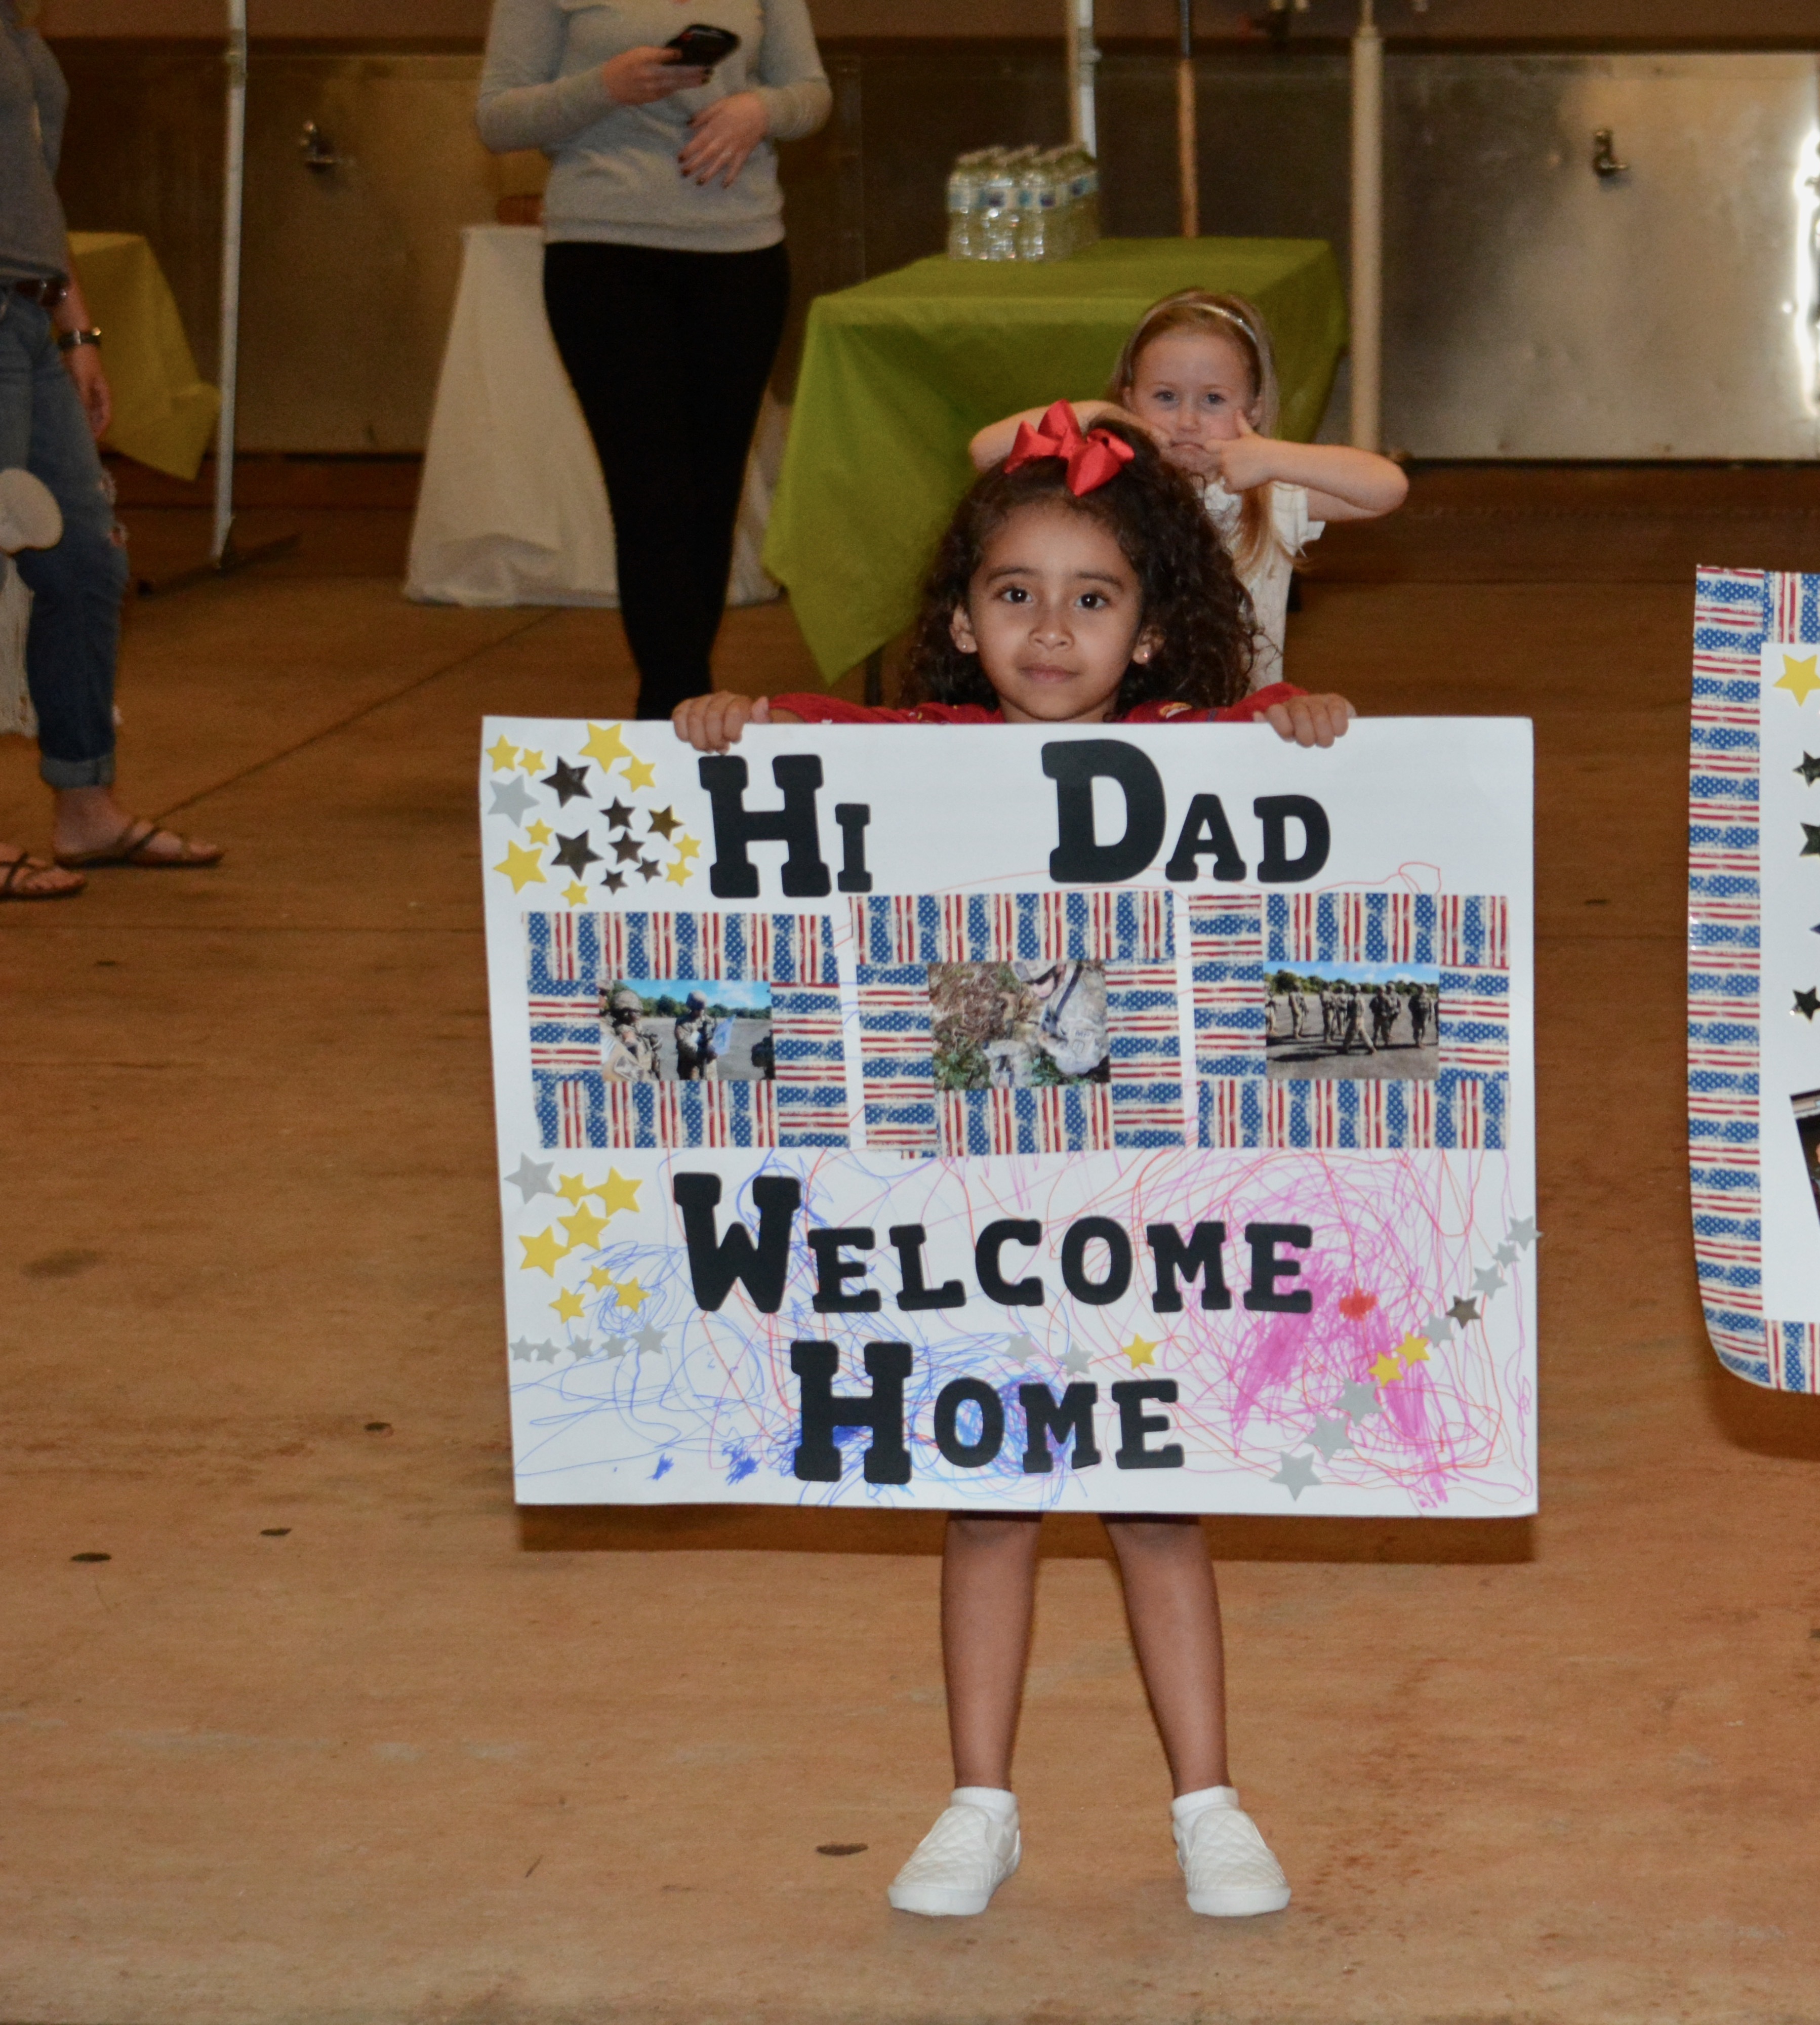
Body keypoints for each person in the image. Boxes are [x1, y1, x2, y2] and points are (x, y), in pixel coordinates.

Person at [675, 406, 1347, 1922]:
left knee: (1157, 1499)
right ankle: (979, 1799)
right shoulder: (916, 757)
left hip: (1139, 1208)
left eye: (1092, 597)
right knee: (983, 1497)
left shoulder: (1198, 754)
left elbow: (1290, 756)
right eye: (1015, 594)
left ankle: (1209, 1803)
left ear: (1156, 633)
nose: (1051, 628)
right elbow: (806, 734)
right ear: (963, 625)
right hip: (971, 1210)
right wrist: (739, 720)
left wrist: (1299, 714)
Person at [476, 1, 830, 720]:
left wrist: (759, 109)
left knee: (710, 493)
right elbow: (498, 117)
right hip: (603, 255)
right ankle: (675, 702)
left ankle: (679, 704)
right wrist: (604, 85)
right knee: (652, 494)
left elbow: (811, 91)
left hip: (741, 254)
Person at [0, 7, 222, 899]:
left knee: (86, 556)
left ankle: (85, 804)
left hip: (27, 307)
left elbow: (32, 188)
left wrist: (75, 327)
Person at [969, 290, 1408, 690]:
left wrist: (1273, 458)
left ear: (1253, 409)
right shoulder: (1107, 480)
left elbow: (1386, 487)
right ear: (1130, 401)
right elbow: (984, 451)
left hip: (1236, 717)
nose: (1187, 422)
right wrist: (1094, 415)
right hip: (1127, 711)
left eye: (1213, 400)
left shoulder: (1267, 495)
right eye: (1165, 397)